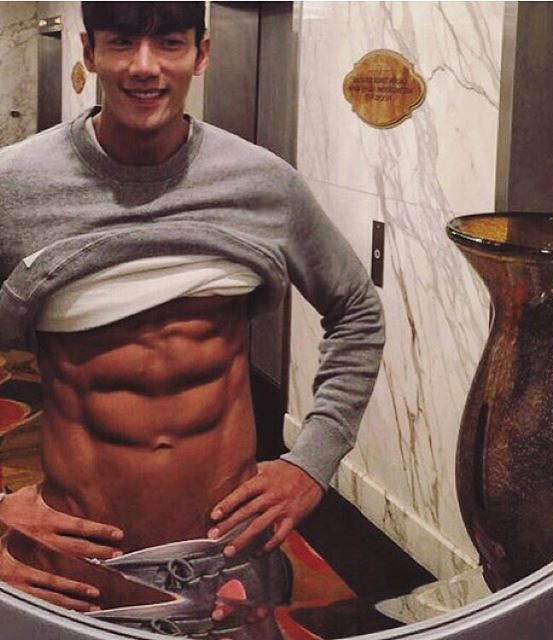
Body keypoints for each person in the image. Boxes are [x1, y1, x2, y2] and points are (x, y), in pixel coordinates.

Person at [0, 1, 384, 636]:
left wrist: (312, 460)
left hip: (231, 557)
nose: (144, 67)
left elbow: (357, 310)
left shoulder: (262, 185)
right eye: (121, 43)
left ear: (201, 54)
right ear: (89, 52)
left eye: (170, 44)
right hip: (78, 570)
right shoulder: (16, 187)